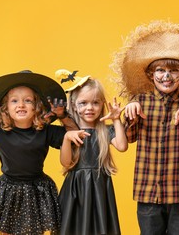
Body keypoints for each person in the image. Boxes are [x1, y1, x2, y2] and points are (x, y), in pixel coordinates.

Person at [110, 20, 179, 235]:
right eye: (160, 70)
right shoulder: (139, 101)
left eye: (173, 71)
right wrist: (131, 114)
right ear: (151, 75)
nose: (166, 76)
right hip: (147, 192)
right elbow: (130, 139)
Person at [0, 70, 79, 235]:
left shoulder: (45, 131)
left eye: (28, 100)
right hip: (8, 190)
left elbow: (76, 137)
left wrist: (63, 115)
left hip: (38, 190)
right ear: (5, 108)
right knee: (6, 231)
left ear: (37, 107)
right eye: (14, 100)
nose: (21, 105)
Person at [55, 69, 128, 235]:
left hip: (99, 186)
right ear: (73, 105)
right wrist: (67, 138)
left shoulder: (105, 130)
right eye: (83, 103)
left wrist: (116, 119)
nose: (90, 108)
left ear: (102, 104)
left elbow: (122, 146)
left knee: (100, 226)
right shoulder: (70, 131)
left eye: (95, 103)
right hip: (76, 188)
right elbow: (66, 163)